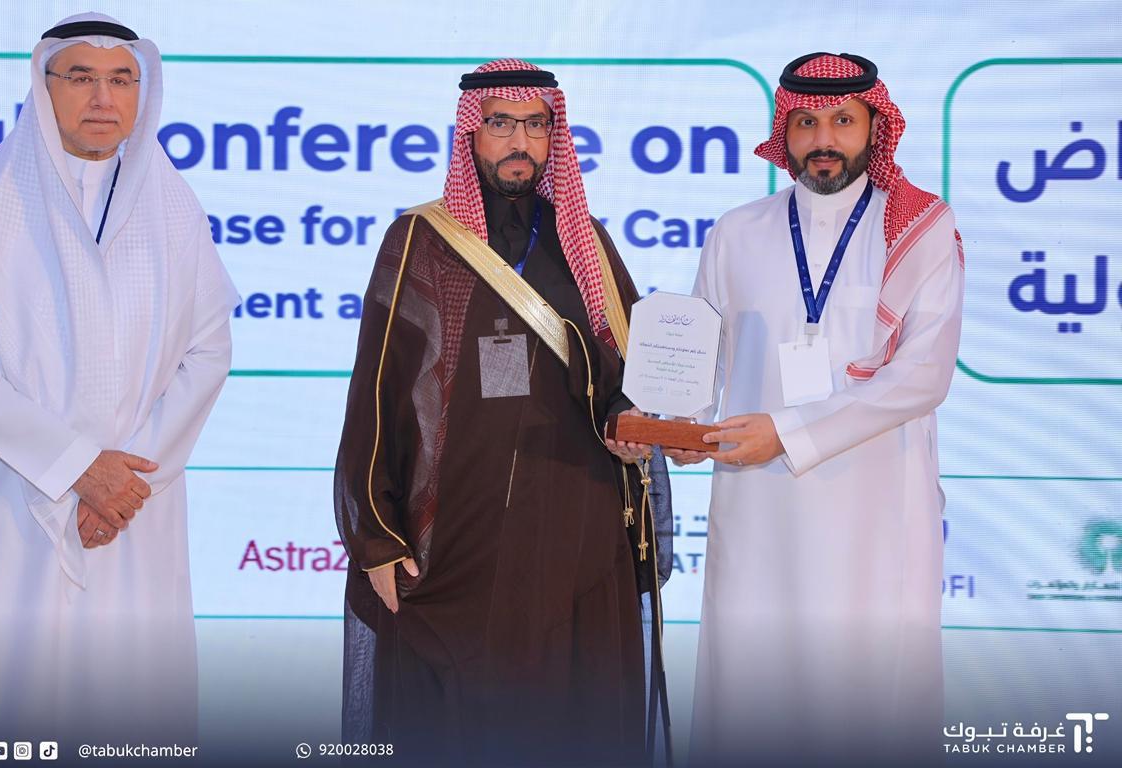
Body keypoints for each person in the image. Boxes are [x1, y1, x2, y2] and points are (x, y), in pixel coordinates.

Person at [0, 12, 238, 745]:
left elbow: (208, 352)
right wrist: (78, 468)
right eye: (81, 77)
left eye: (121, 79)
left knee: (133, 703)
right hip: (9, 496)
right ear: (44, 85)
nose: (102, 98)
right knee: (1, 700)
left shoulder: (174, 205)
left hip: (136, 503)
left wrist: (127, 484)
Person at [334, 59, 673, 767]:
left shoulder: (586, 244)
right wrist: (378, 536)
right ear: (471, 134)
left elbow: (626, 376)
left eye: (535, 125)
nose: (520, 141)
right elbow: (377, 395)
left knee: (575, 714)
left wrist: (634, 421)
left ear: (554, 135)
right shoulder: (421, 242)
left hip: (579, 523)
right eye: (500, 124)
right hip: (464, 530)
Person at [669, 52, 965, 767]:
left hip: (875, 507)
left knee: (867, 698)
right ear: (785, 131)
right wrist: (679, 427)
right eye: (805, 122)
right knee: (751, 693)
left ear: (875, 127)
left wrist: (788, 432)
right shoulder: (738, 230)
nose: (823, 138)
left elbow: (922, 376)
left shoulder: (918, 229)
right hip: (757, 506)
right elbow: (703, 359)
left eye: (842, 120)